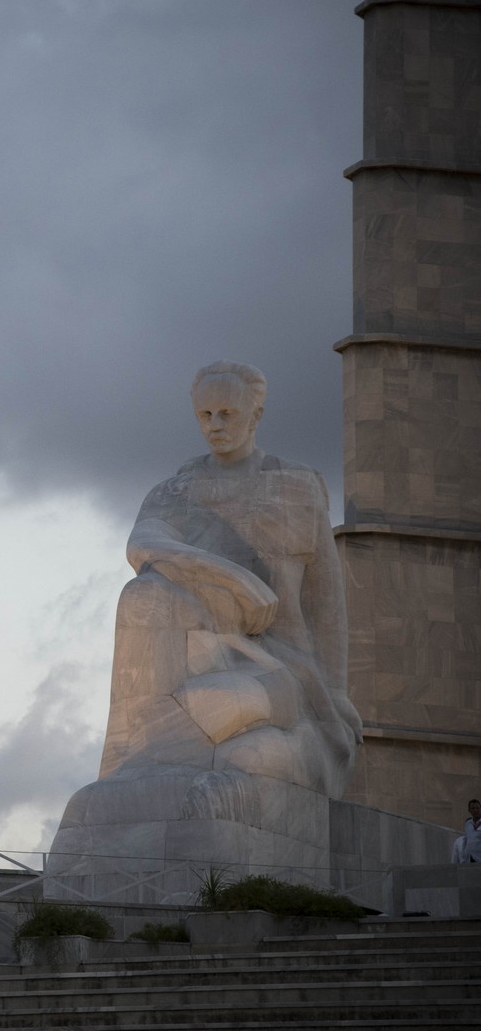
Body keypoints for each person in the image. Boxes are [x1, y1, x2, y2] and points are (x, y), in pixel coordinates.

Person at [51, 363, 363, 869]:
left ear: (255, 413)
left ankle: (190, 753)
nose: (214, 424)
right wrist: (225, 573)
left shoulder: (298, 487)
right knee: (143, 595)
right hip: (203, 655)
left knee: (239, 739)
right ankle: (142, 760)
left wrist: (340, 698)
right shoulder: (178, 490)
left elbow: (328, 610)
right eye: (204, 414)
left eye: (226, 413)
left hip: (285, 670)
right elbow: (142, 543)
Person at [452, 799, 481, 863]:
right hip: (470, 858)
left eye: (477, 808)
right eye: (473, 808)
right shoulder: (468, 824)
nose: (475, 810)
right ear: (469, 810)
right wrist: (464, 855)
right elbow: (465, 840)